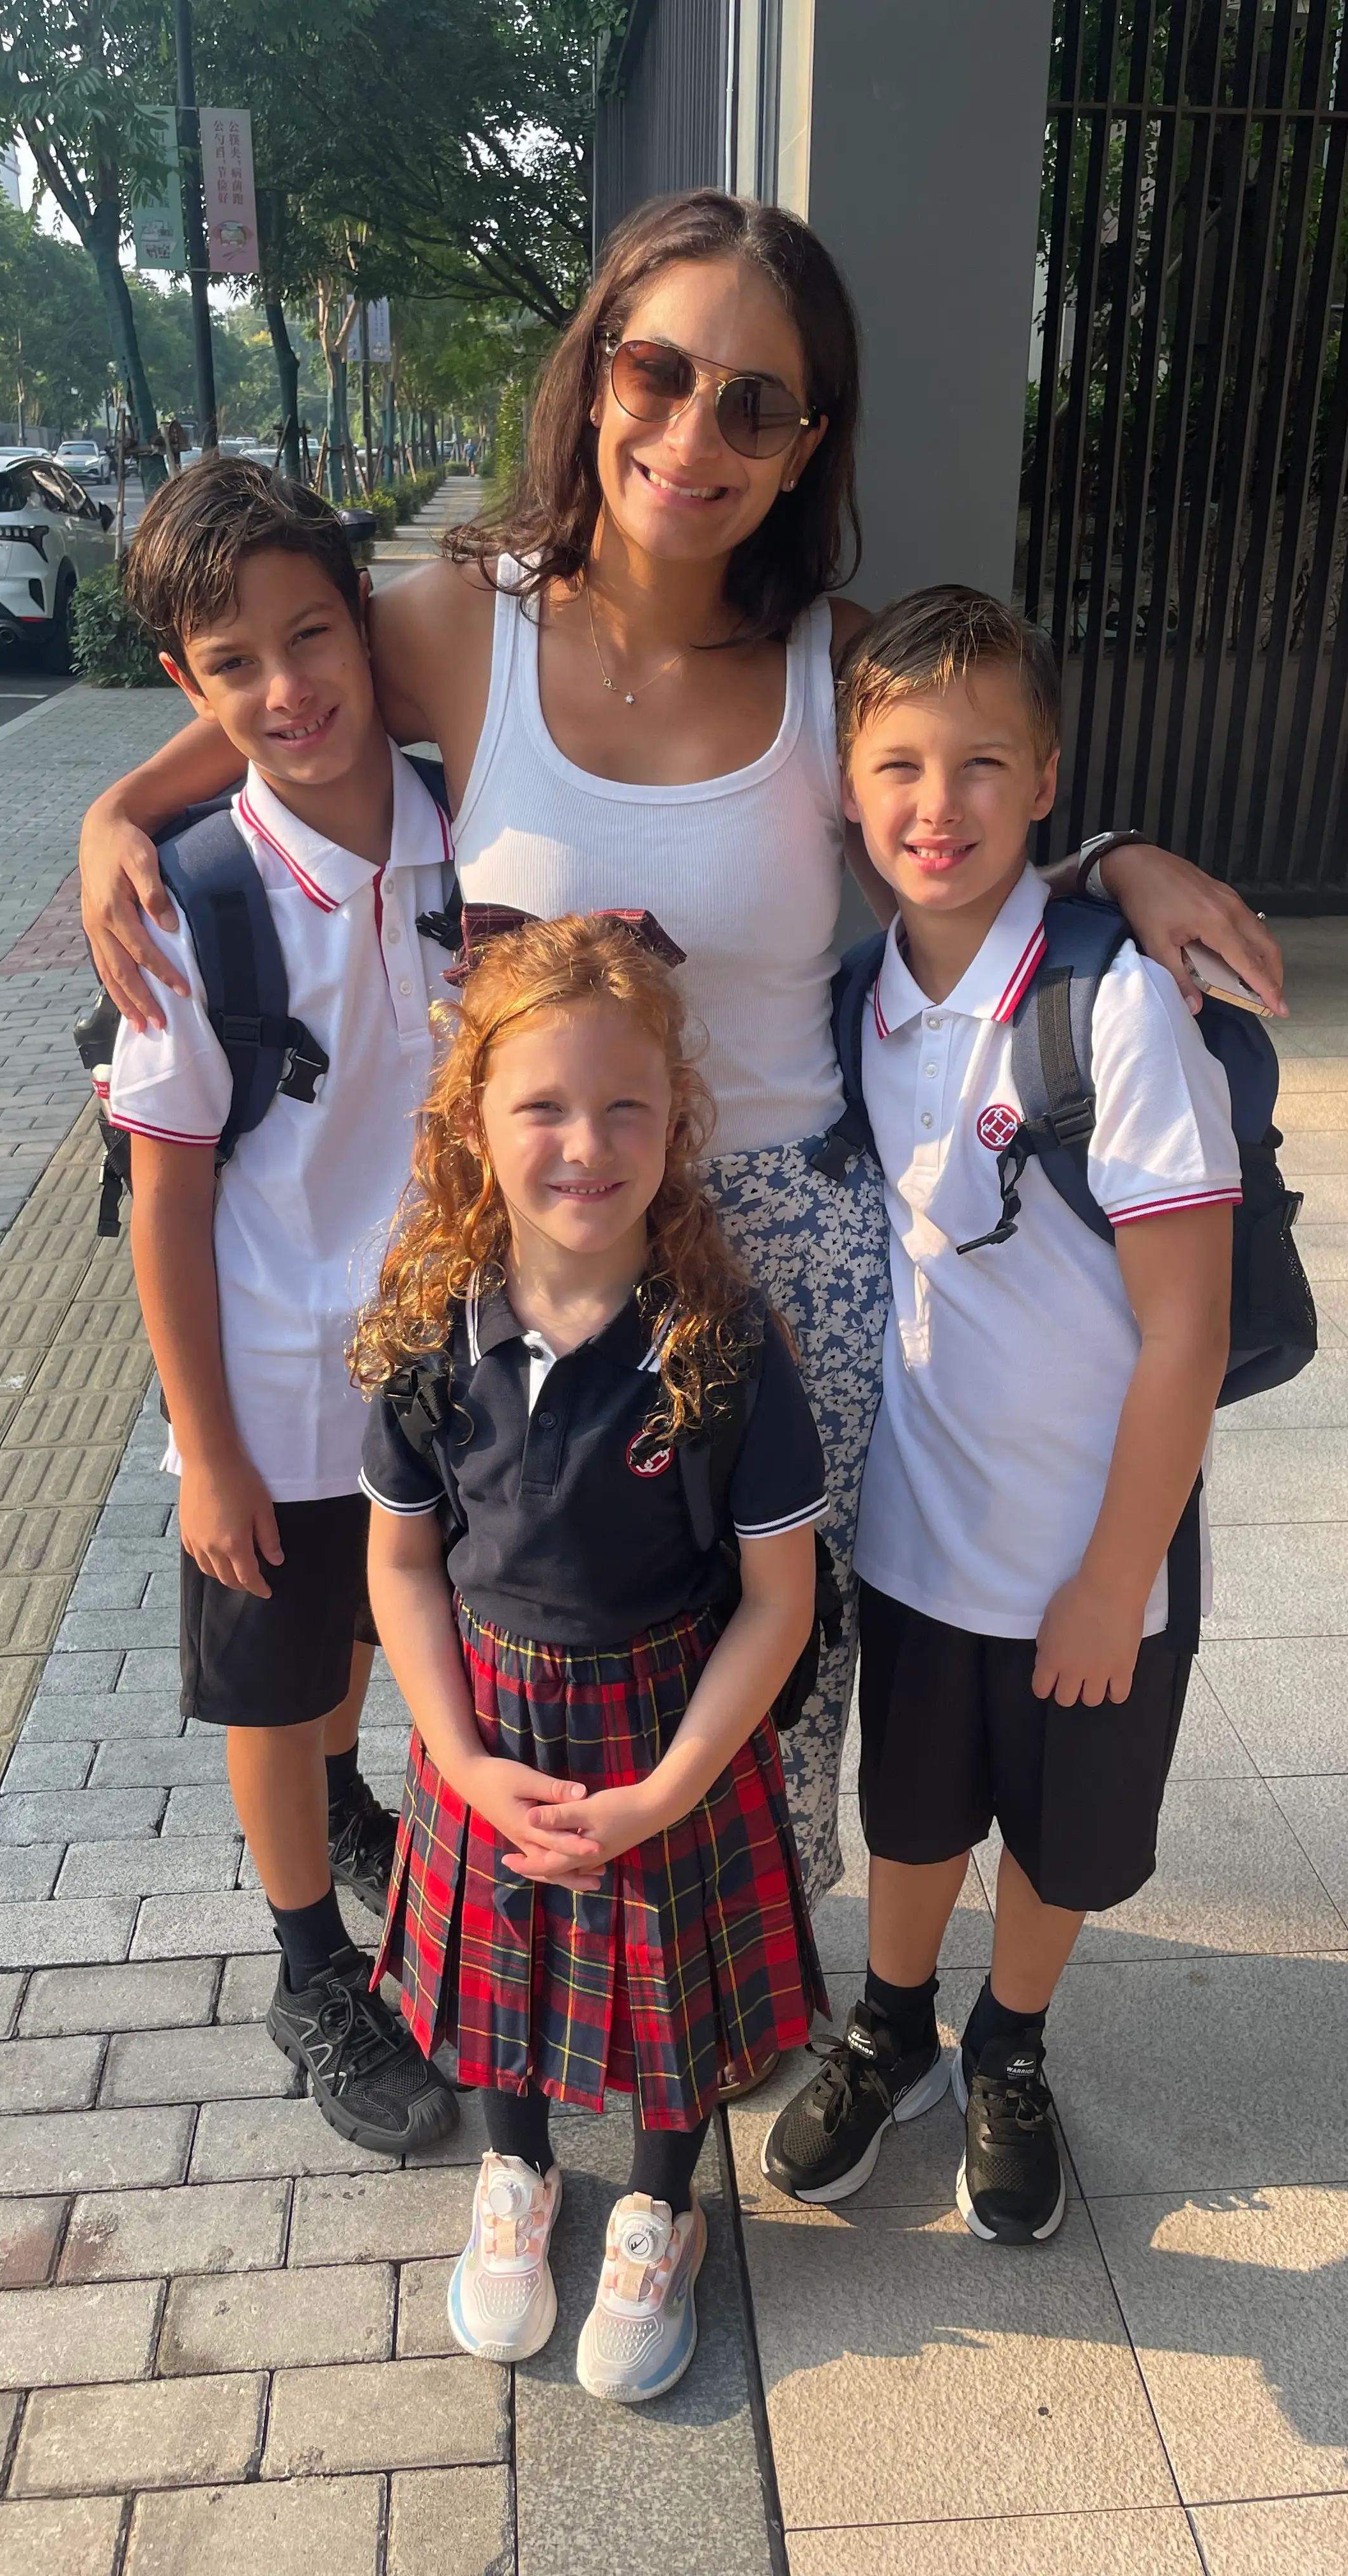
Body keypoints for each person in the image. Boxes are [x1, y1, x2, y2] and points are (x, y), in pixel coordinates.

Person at [76, 188, 1282, 1903]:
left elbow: (964, 807)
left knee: (782, 1654)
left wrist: (1118, 864)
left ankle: (739, 1981)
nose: (694, 431)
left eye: (756, 403)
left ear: (805, 447)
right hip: (547, 1233)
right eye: (660, 370)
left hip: (794, 1244)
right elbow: (280, 705)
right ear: (593, 379)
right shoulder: (456, 621)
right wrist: (119, 806)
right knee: (543, 1633)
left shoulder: (826, 668)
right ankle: (549, 1974)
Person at [761, 588, 1237, 2245]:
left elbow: (1189, 1323)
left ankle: (1008, 2048)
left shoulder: (1113, 1004)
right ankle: (891, 2021)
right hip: (918, 1536)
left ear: (1045, 781)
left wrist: (1118, 1575)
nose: (936, 803)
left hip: (1093, 1550)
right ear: (846, 791)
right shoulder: (846, 1007)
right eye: (897, 764)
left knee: (1060, 1836)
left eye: (981, 763)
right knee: (918, 1810)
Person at [354, 914, 828, 2404]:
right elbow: (404, 1565)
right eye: (540, 1107)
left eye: (625, 1105)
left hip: (666, 1723)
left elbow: (778, 1602)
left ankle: (655, 2210)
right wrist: (459, 1759)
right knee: (495, 1986)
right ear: (472, 1126)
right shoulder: (433, 1334)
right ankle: (516, 2180)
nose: (586, 1144)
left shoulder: (724, 1344)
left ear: (676, 1122)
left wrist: (670, 1789)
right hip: (482, 1719)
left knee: (666, 1997)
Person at [103, 456, 456, 2152]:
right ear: (186, 683)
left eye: (310, 635)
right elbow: (162, 1201)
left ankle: (346, 1797)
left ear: (367, 630)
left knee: (380, 1643)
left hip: (446, 1373)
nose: (283, 687)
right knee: (267, 1669)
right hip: (263, 1381)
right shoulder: (189, 906)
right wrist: (211, 1451)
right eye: (231, 664)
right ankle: (311, 1962)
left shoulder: (471, 829)